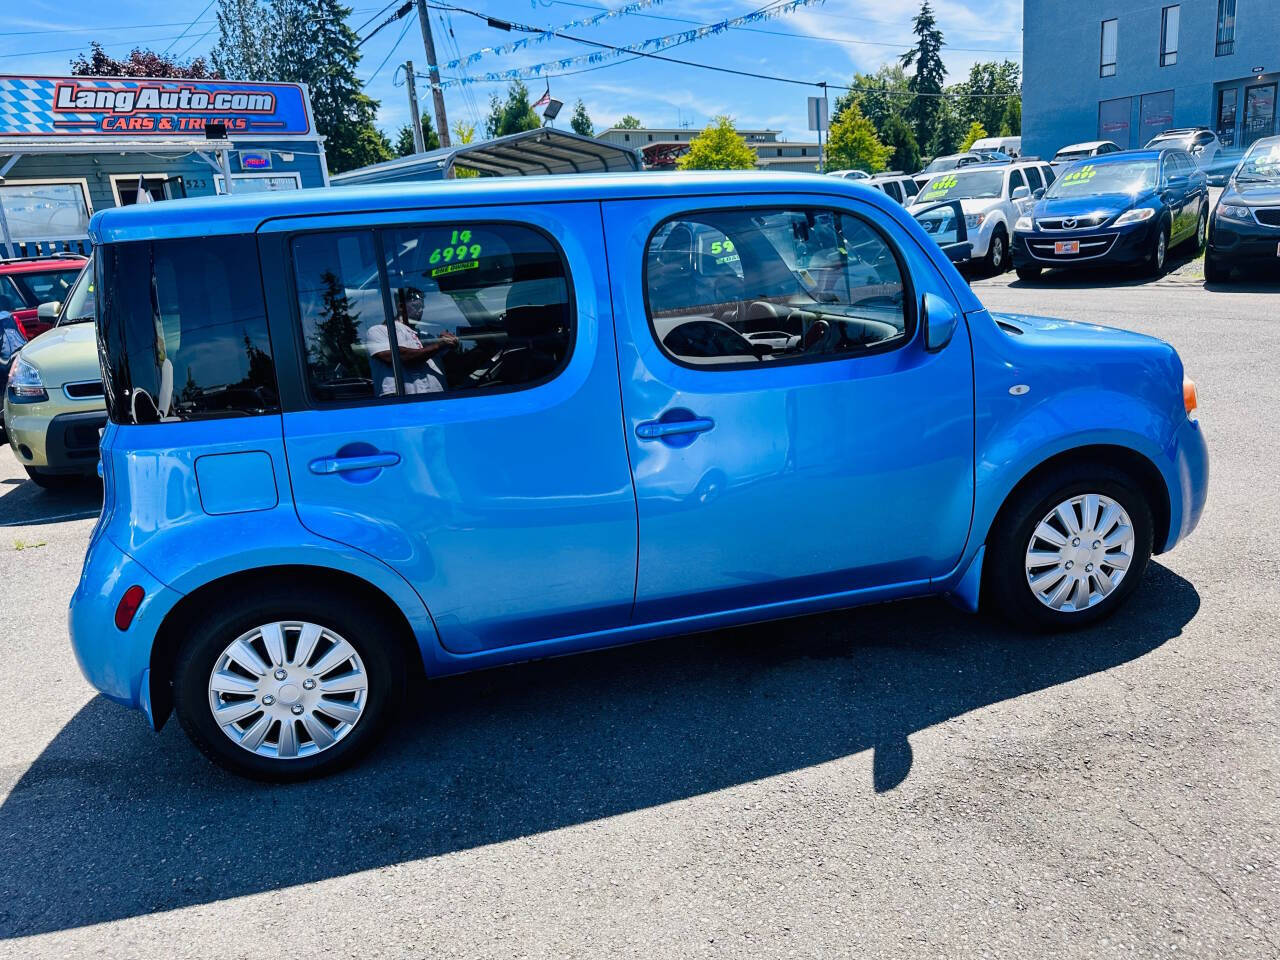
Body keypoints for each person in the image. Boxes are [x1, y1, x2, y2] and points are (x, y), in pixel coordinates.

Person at [364, 287, 458, 396]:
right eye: (416, 306)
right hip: (401, 404)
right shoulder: (379, 331)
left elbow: (453, 368)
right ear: (400, 306)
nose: (421, 310)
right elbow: (398, 355)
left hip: (438, 402)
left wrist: (452, 344)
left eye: (422, 307)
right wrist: (439, 345)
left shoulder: (426, 337)